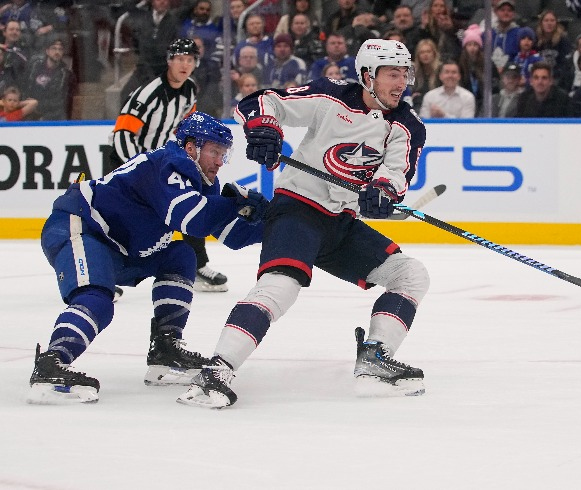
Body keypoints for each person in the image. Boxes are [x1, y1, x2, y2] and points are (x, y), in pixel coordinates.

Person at [176, 39, 429, 409]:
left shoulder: (408, 125)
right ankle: (218, 370)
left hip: (340, 223)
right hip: (298, 210)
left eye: (405, 74)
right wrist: (266, 130)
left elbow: (397, 171)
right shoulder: (332, 96)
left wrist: (382, 190)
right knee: (280, 288)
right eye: (392, 74)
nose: (401, 82)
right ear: (367, 76)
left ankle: (375, 357)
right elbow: (259, 102)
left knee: (411, 275)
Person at [26, 112, 267, 404]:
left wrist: (277, 224)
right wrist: (235, 206)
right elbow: (192, 219)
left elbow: (233, 236)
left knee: (180, 256)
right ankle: (51, 364)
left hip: (119, 246)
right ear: (191, 147)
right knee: (97, 299)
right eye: (215, 151)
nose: (219, 161)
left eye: (223, 154)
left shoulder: (201, 182)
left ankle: (165, 350)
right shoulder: (168, 164)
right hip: (80, 226)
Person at [111, 39, 228, 293]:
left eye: (191, 60)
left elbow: (186, 130)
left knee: (190, 201)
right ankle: (105, 276)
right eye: (180, 59)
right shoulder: (149, 93)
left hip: (158, 162)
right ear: (169, 60)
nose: (185, 64)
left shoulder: (189, 90)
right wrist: (135, 168)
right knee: (121, 220)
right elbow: (122, 133)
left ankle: (198, 265)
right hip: (129, 160)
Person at [24, 35, 73, 120]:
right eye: (54, 48)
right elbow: (25, 86)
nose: (57, 52)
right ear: (47, 51)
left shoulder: (66, 74)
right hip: (29, 111)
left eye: (60, 49)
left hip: (52, 116)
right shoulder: (34, 66)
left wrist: (37, 104)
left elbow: (61, 102)